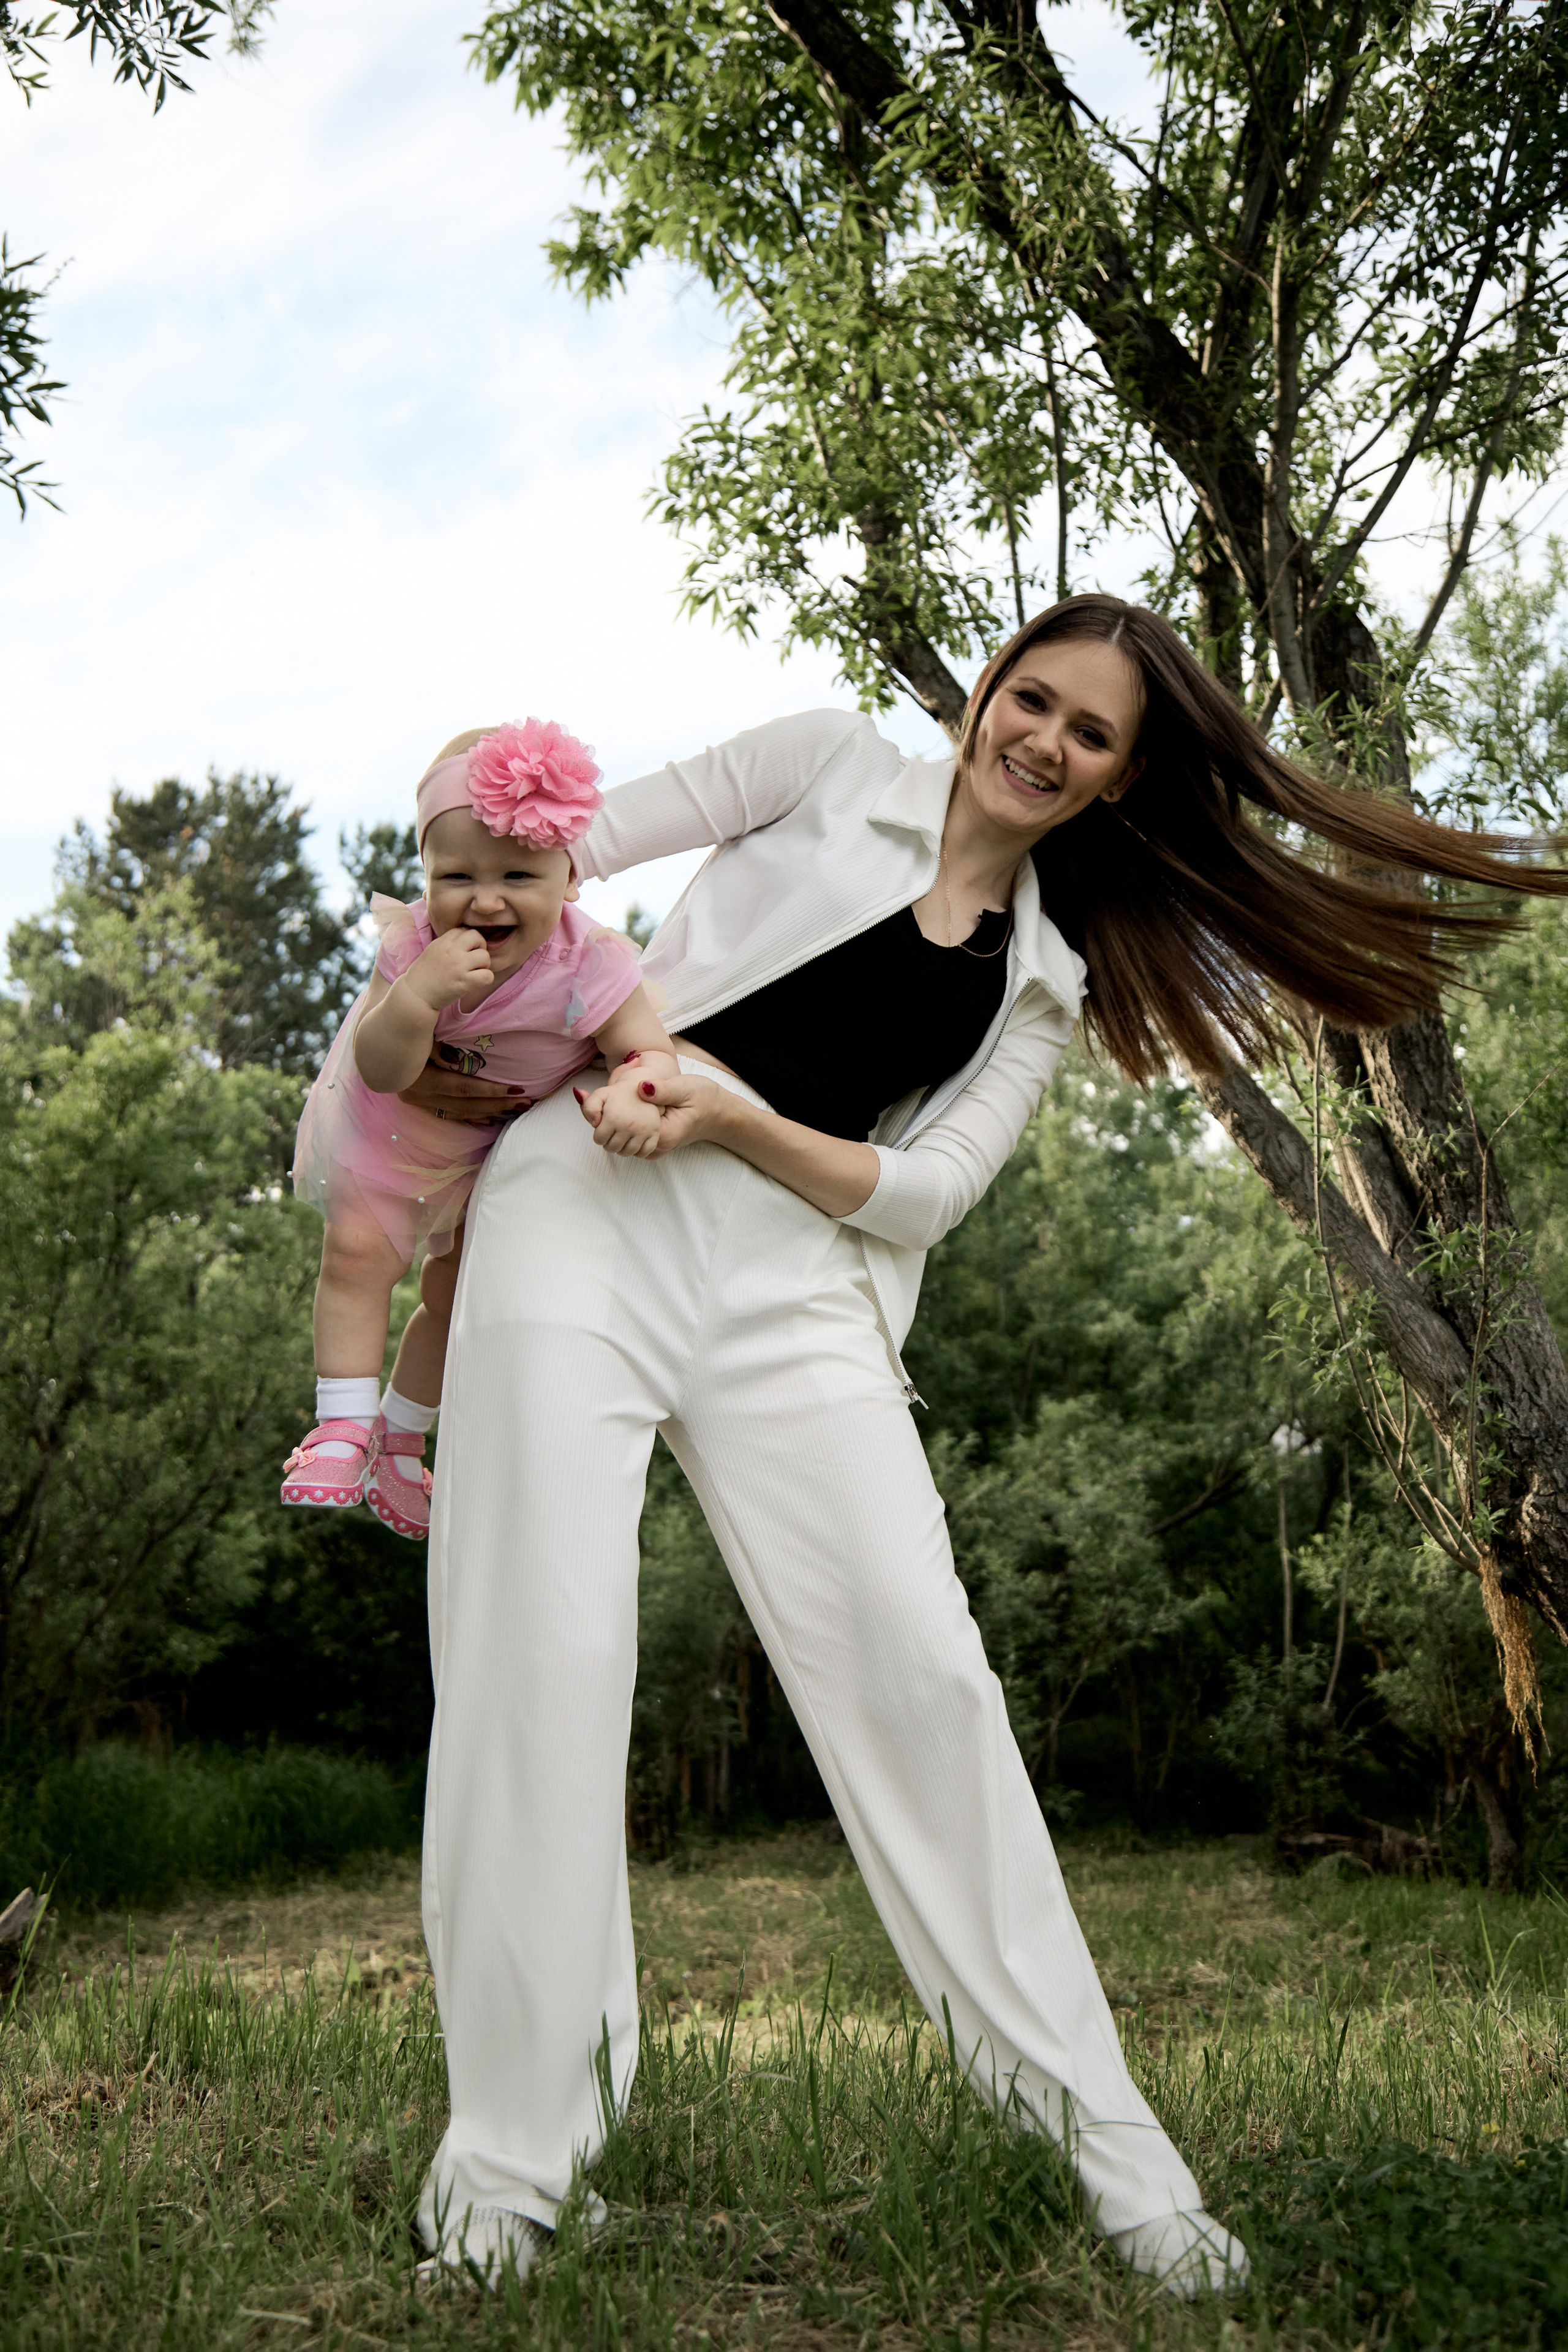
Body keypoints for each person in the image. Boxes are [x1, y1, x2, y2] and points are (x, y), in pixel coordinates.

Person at [404, 597, 1557, 2295]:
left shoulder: (1046, 979)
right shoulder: (817, 762)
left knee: (927, 1681)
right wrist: (462, 918)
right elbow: (546, 843)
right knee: (539, 1665)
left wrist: (731, 1110)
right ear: (987, 694)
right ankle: (510, 2173)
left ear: (1116, 785)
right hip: (583, 1213)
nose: (1047, 741)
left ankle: (1118, 2159)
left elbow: (928, 1190)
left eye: (1092, 737)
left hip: (798, 1290)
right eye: (1035, 699)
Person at [284, 719, 679, 1539]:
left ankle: (399, 1436)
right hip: (392, 1134)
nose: (486, 897)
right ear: (425, 876)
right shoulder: (417, 951)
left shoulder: (589, 963)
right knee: (358, 1257)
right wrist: (419, 997)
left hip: (492, 1156)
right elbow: (384, 1067)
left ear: (570, 878)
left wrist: (639, 1089)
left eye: (518, 875)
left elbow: (645, 1045)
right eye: (456, 873)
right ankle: (340, 1424)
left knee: (454, 1291)